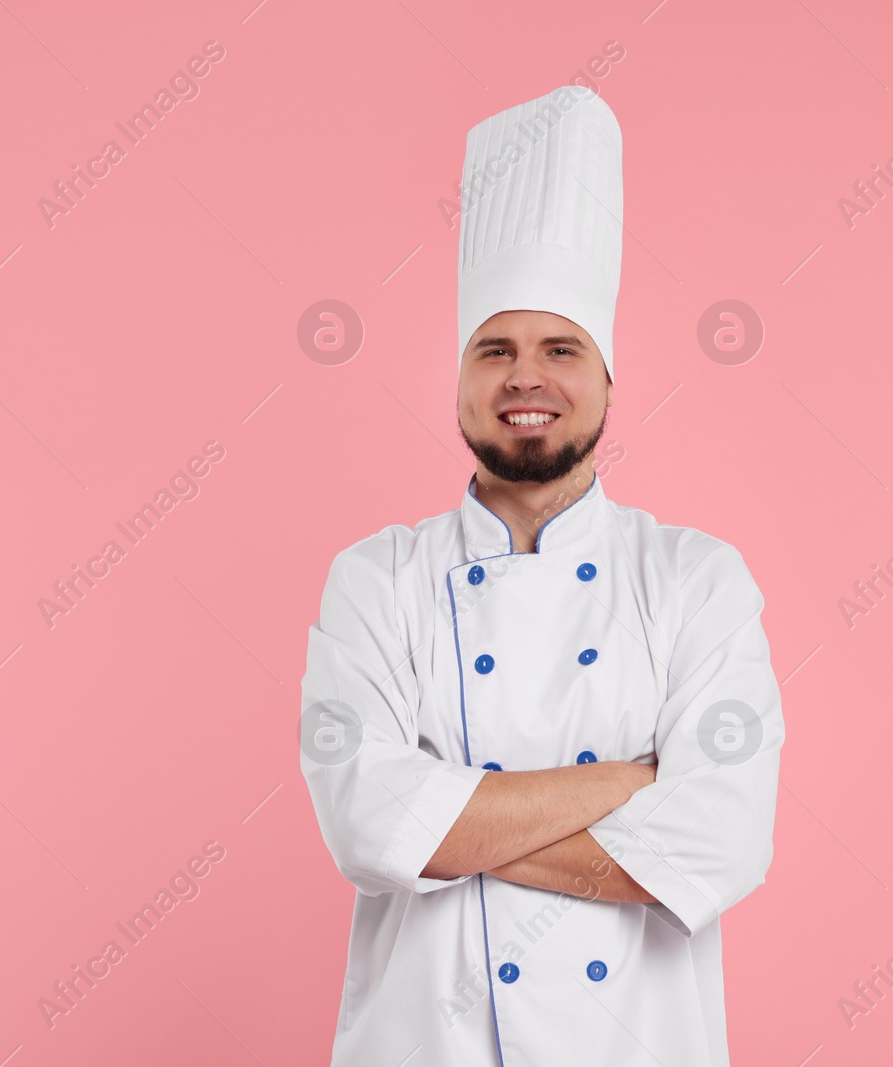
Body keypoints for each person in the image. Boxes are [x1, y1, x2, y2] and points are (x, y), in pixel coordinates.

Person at [299, 84, 784, 1066]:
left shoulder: (695, 579)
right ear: (461, 378)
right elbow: (366, 823)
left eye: (561, 348)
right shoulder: (373, 580)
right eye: (497, 349)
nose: (528, 377)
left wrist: (452, 824)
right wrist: (625, 785)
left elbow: (718, 845)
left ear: (608, 379)